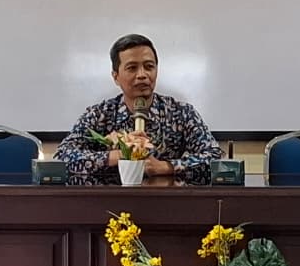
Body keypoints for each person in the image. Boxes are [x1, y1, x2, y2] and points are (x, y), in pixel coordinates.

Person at [56, 33, 221, 184]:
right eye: (132, 68)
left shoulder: (181, 113)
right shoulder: (99, 115)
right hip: (111, 202)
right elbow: (62, 157)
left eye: (149, 66)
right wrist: (118, 155)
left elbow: (216, 158)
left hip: (166, 202)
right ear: (116, 77)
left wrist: (167, 167)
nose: (142, 75)